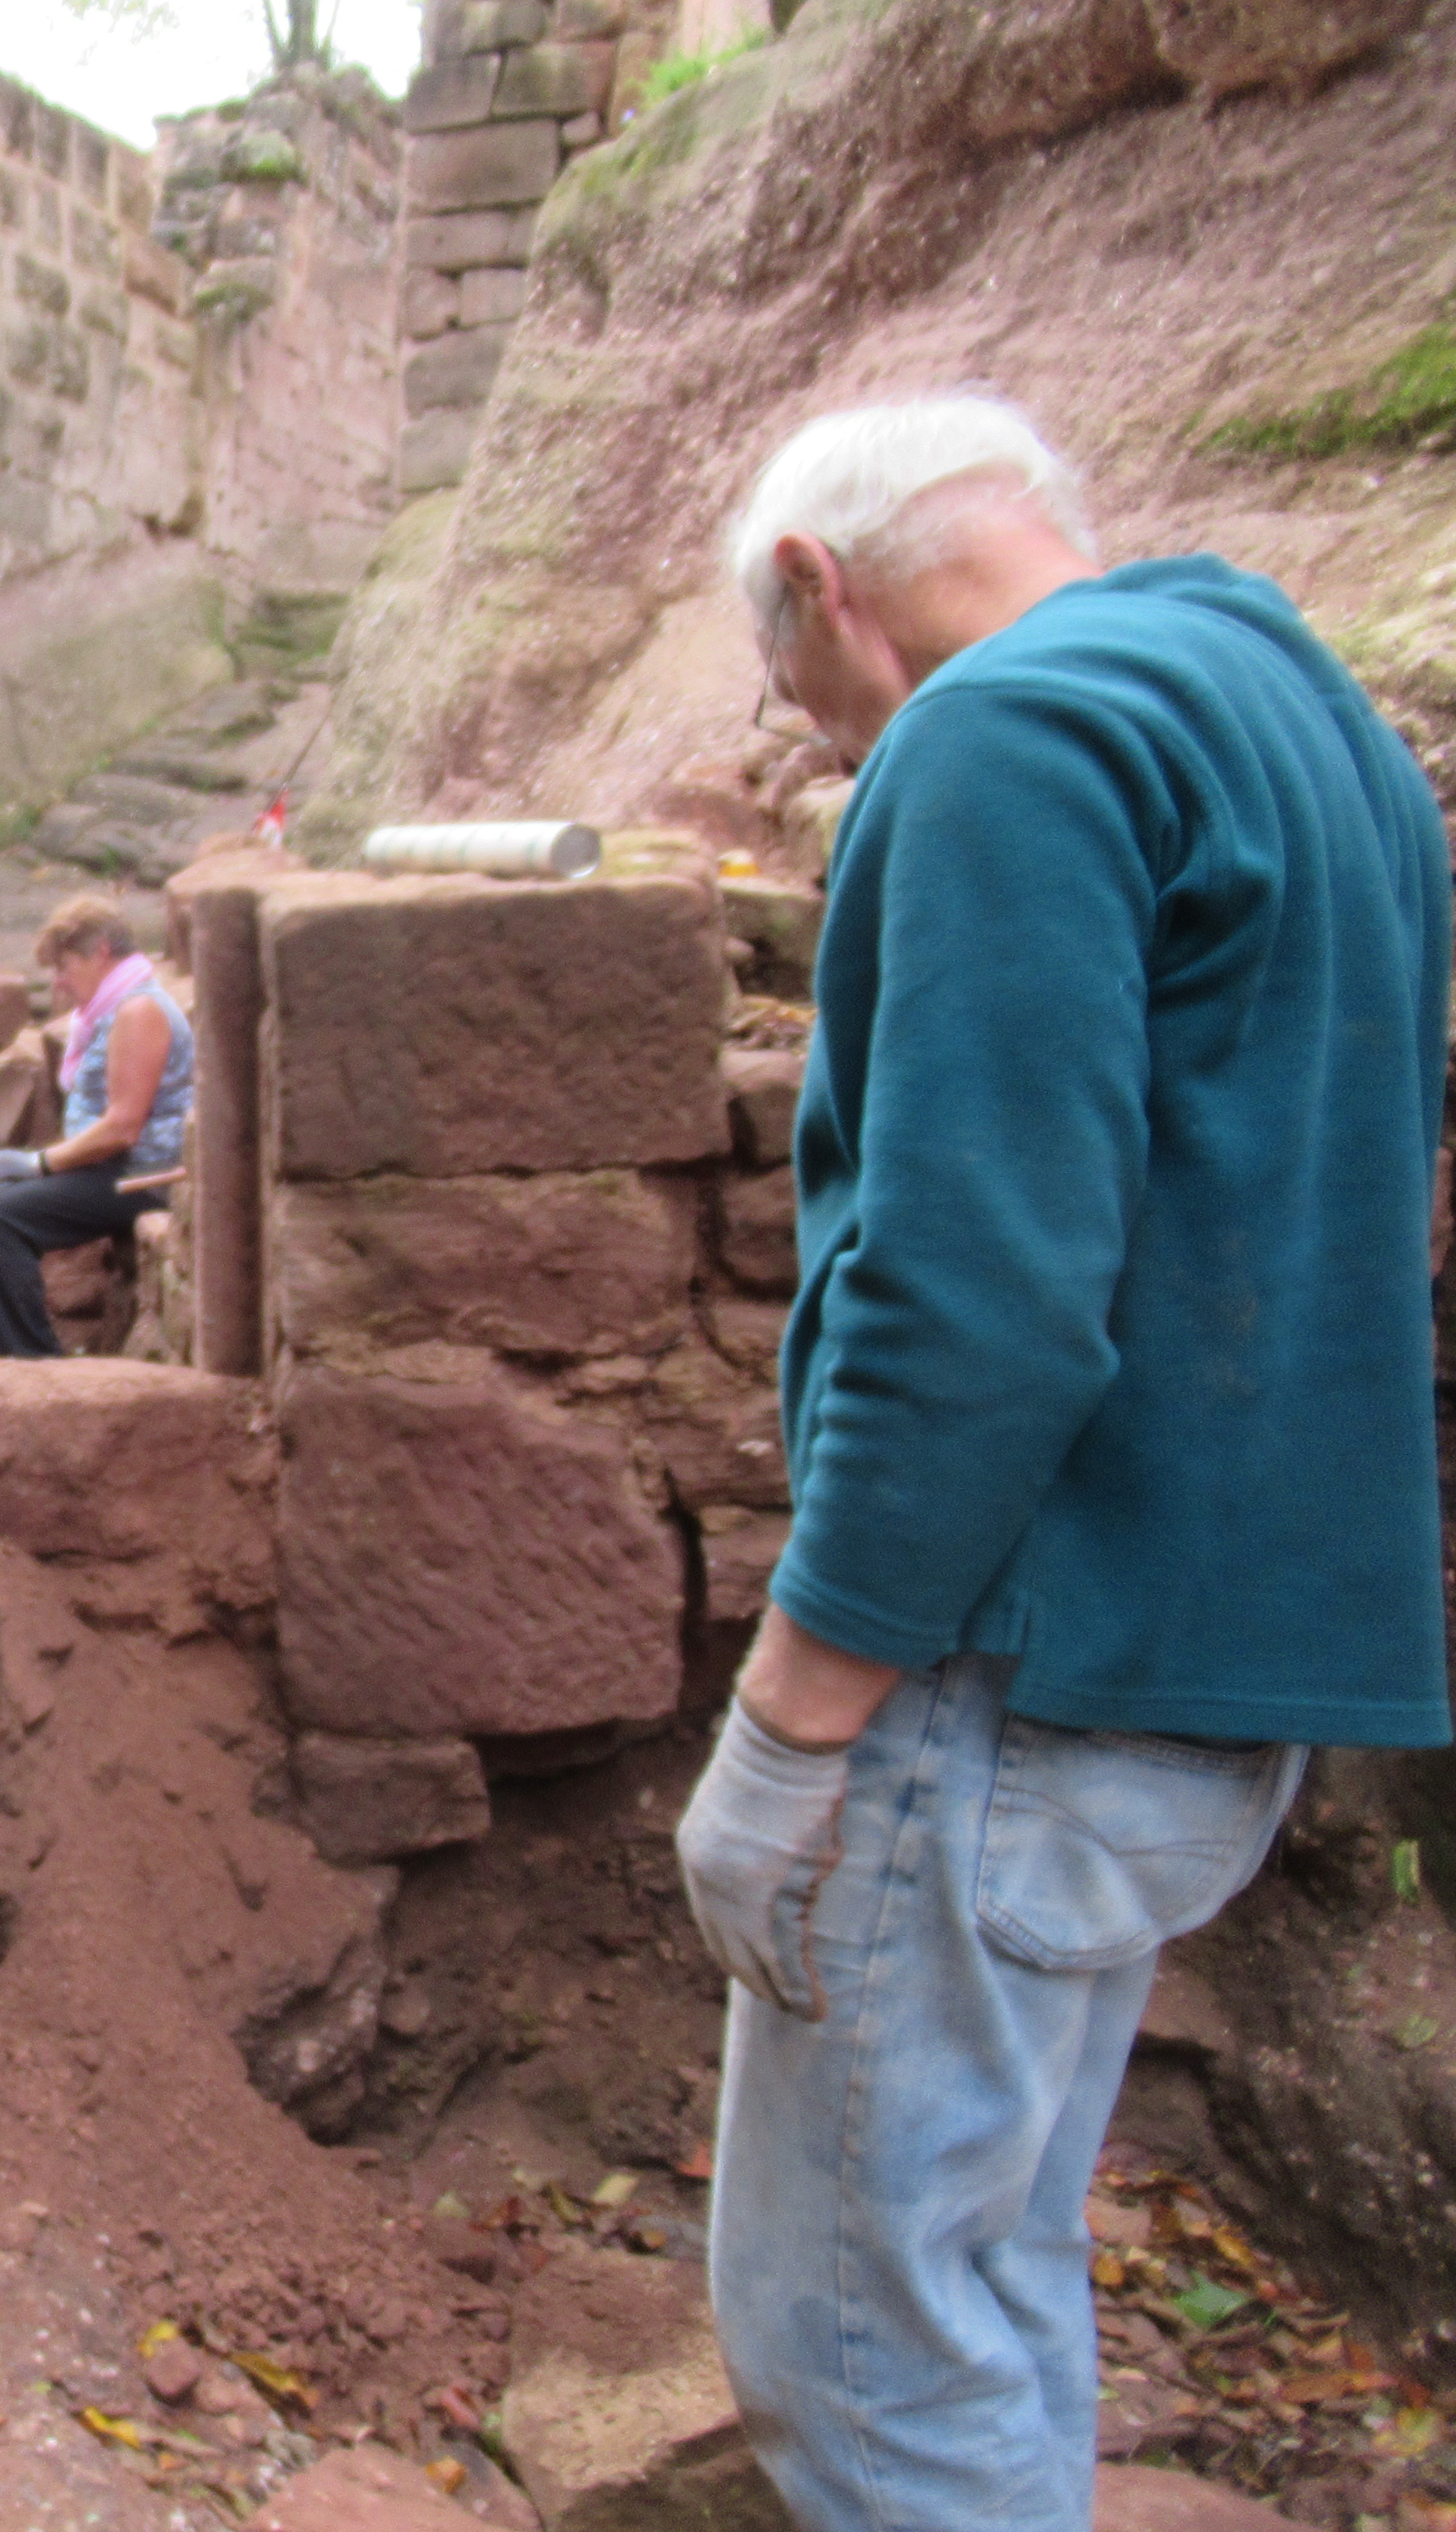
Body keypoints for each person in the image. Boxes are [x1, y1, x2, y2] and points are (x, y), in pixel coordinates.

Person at [675, 395, 1450, 2532]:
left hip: (1011, 1671)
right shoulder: (1310, 720)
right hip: (1219, 1659)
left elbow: (977, 1295)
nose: (825, 746)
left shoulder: (1004, 736)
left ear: (820, 584)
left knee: (863, 2343)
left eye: (801, 698)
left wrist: (792, 1715)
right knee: (981, 2264)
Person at [0, 893, 191, 1358]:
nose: (59, 982)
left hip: (144, 1177)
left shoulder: (140, 1011)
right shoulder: (113, 1010)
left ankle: (30, 1361)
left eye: (65, 966)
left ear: (101, 952)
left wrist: (39, 1163)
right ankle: (14, 1355)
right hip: (118, 1169)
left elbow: (123, 1127)